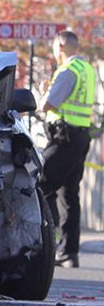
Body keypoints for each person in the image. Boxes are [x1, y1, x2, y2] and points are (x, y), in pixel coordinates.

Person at [39, 30, 97, 268]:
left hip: (63, 137)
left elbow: (47, 104)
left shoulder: (68, 70)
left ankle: (43, 247)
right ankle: (68, 252)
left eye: (54, 47)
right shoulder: (87, 70)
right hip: (81, 136)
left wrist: (45, 92)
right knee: (69, 194)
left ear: (61, 46)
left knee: (42, 188)